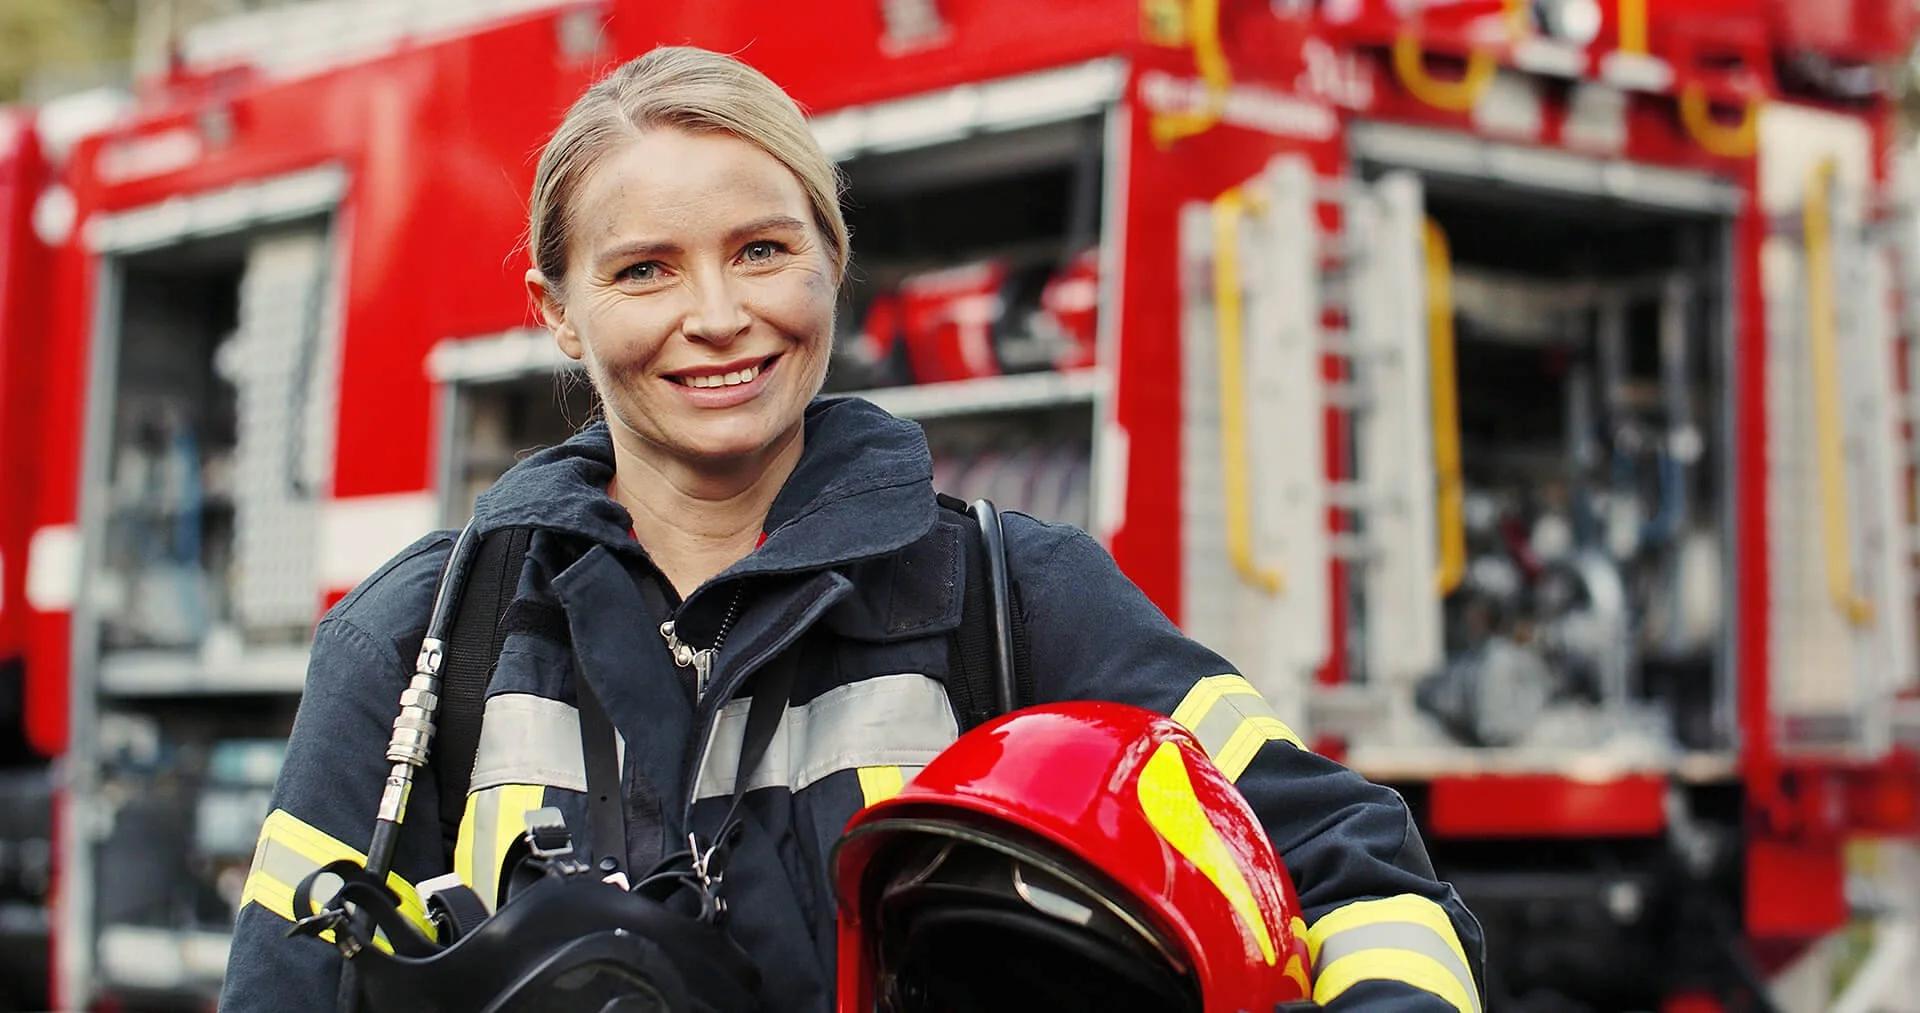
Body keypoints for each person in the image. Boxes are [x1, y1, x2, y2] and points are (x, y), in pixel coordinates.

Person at [220, 45, 1484, 1013]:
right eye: (644, 268)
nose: (716, 316)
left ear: (832, 257)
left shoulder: (1015, 598)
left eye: (762, 250)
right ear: (558, 310)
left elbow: (1359, 873)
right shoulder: (418, 642)